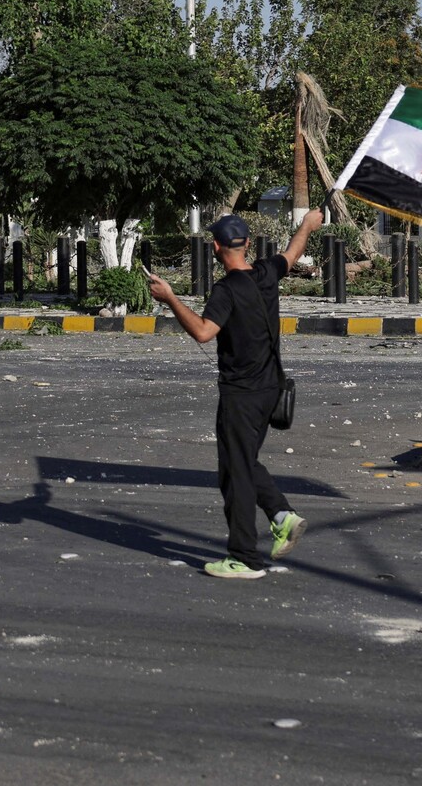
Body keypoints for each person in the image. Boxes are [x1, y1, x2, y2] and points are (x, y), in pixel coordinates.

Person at [148, 208, 325, 579]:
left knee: (236, 473)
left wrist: (170, 298)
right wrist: (308, 225)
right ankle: (281, 515)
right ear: (245, 245)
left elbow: (203, 332)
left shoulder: (226, 290)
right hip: (270, 388)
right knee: (240, 463)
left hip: (241, 394)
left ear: (216, 247)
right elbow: (292, 252)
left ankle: (245, 558)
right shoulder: (266, 272)